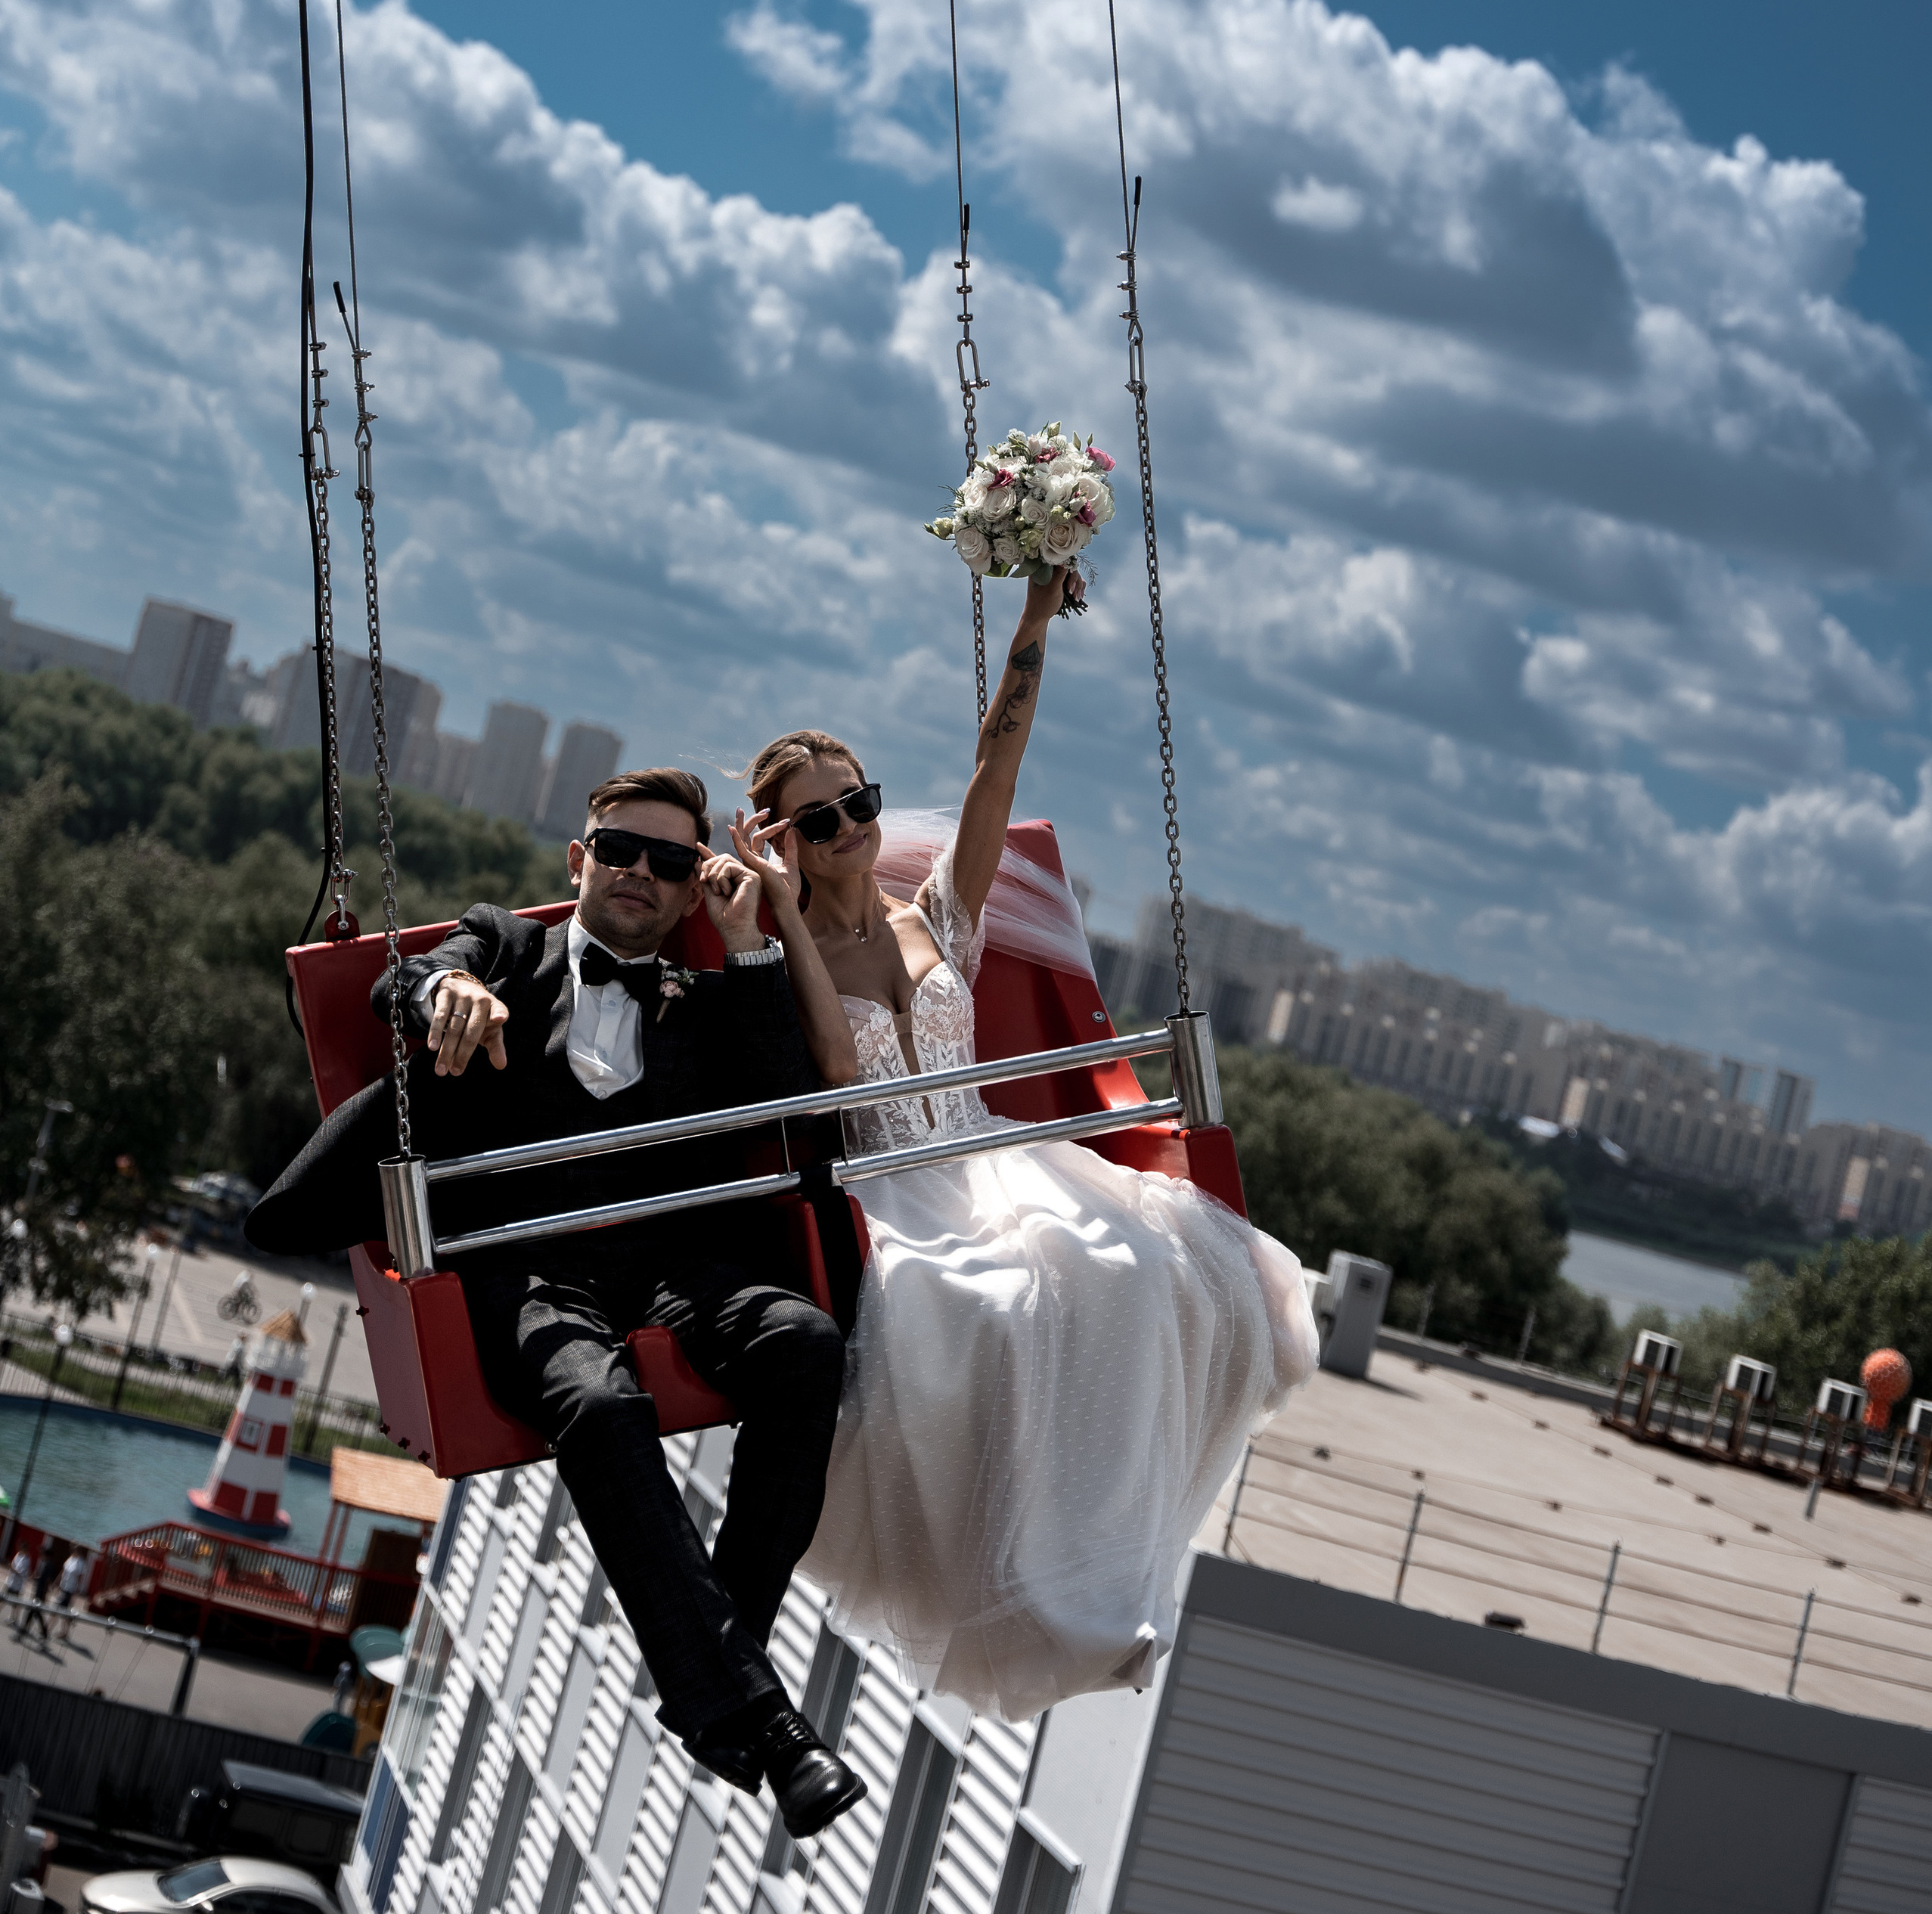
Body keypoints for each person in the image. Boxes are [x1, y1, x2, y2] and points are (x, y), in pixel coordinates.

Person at [740, 576, 1321, 1723]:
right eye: (819, 821)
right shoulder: (783, 947)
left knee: (1140, 1269)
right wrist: (783, 909)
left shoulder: (935, 918)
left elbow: (991, 777)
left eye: (858, 805)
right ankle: (1036, 1587)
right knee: (999, 1308)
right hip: (895, 1183)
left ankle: (1106, 1573)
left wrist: (1030, 633)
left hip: (992, 1153)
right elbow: (840, 1073)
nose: (851, 829)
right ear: (784, 841)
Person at [249, 768, 867, 1839]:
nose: (639, 873)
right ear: (577, 862)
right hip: (527, 1270)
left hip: (668, 1268)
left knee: (804, 1343)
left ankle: (724, 1677)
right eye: (619, 850)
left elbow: (778, 1098)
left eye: (669, 862)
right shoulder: (506, 945)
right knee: (605, 1406)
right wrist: (450, 991)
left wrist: (750, 939)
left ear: (688, 892)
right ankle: (764, 1723)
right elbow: (405, 984)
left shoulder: (699, 990)